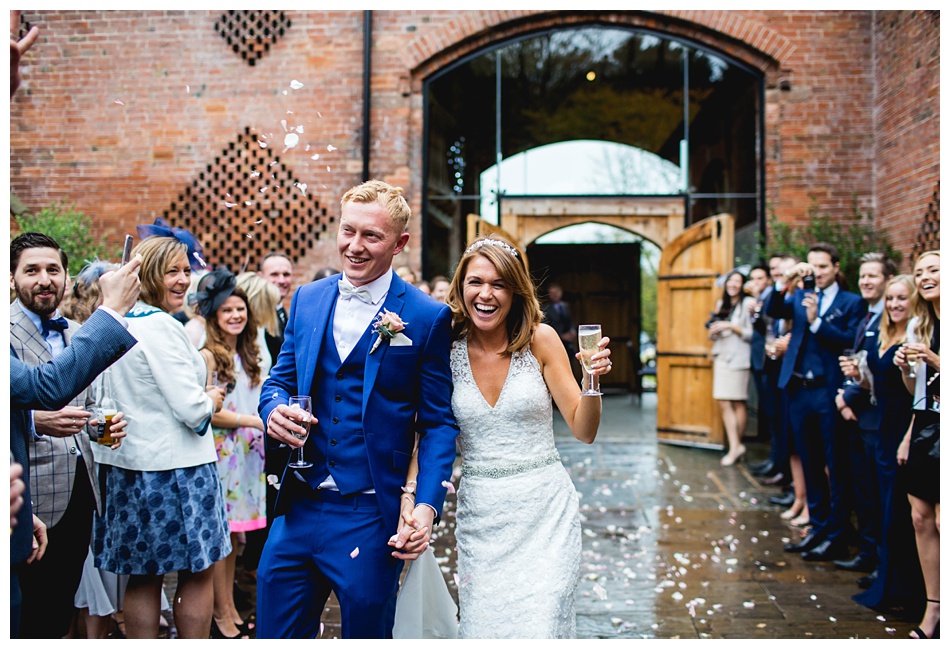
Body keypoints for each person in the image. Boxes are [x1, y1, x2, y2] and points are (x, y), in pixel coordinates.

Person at [255, 179, 459, 639]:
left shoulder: (426, 317)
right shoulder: (308, 299)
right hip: (299, 504)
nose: (355, 246)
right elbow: (279, 381)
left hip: (370, 512)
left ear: (400, 243)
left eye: (372, 236)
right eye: (349, 231)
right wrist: (273, 411)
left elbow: (438, 424)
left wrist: (426, 506)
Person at [440, 234, 611, 638]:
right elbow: (425, 431)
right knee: (484, 630)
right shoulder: (444, 347)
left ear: (515, 292)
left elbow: (584, 430)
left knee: (542, 625)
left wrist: (592, 380)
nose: (486, 294)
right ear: (461, 286)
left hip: (545, 512)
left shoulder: (541, 340)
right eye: (476, 282)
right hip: (482, 517)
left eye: (499, 284)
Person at [92, 233, 230, 639]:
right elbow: (190, 410)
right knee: (199, 571)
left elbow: (99, 403)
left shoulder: (108, 323)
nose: (184, 280)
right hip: (178, 471)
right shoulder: (163, 328)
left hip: (127, 468)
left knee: (143, 576)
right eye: (172, 271)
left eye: (186, 270)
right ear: (148, 274)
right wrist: (213, 400)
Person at [9, 256, 142, 638]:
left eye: (53, 270)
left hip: (79, 492)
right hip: (29, 491)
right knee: (24, 613)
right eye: (31, 270)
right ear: (12, 278)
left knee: (58, 607)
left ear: (66, 278)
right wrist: (35, 420)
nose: (44, 279)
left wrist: (103, 428)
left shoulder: (77, 331)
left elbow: (86, 406)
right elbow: (43, 390)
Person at [767, 242, 864, 561]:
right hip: (798, 389)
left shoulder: (852, 302)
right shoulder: (799, 294)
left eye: (822, 267)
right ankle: (817, 528)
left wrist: (817, 321)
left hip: (828, 390)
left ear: (836, 267)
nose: (816, 273)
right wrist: (786, 281)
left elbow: (851, 340)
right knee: (808, 461)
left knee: (834, 465)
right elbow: (772, 310)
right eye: (812, 267)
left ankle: (837, 535)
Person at [196, 267, 267, 639]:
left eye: (240, 310)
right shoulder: (209, 357)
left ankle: (231, 608)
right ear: (214, 317)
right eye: (227, 311)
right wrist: (251, 421)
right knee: (223, 541)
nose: (236, 316)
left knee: (237, 541)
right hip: (223, 454)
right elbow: (209, 410)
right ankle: (221, 614)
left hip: (249, 455)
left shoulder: (247, 352)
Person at [852, 275, 924, 614]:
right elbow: (873, 383)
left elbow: (919, 392)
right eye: (891, 298)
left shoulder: (916, 336)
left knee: (899, 507)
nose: (894, 304)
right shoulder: (881, 331)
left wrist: (909, 435)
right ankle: (885, 570)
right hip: (879, 424)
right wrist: (857, 377)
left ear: (913, 301)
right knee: (881, 500)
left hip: (903, 423)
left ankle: (902, 582)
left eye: (901, 298)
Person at [833, 253, 895, 575]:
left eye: (873, 276)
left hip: (875, 417)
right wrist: (845, 394)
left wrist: (847, 396)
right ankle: (868, 553)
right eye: (863, 276)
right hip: (858, 414)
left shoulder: (890, 319)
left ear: (887, 280)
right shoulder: (866, 316)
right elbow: (856, 363)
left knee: (878, 493)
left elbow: (880, 370)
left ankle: (881, 561)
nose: (866, 281)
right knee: (864, 492)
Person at [894, 250, 940, 640]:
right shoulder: (919, 326)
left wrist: (935, 359)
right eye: (920, 272)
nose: (924, 277)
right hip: (926, 424)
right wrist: (908, 369)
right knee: (921, 519)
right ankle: (933, 608)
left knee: (944, 520)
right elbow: (917, 392)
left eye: (934, 270)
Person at [707, 270, 755, 466]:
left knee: (737, 402)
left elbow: (752, 334)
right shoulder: (722, 304)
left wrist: (729, 326)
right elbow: (716, 333)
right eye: (730, 281)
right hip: (722, 357)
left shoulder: (747, 304)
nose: (733, 285)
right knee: (723, 402)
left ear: (742, 285)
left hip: (739, 358)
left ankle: (736, 446)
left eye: (737, 281)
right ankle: (735, 446)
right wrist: (714, 331)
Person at [258, 251, 294, 366]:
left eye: (286, 274)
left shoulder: (282, 312)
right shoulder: (256, 314)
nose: (282, 280)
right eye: (274, 274)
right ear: (260, 277)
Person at [541, 282, 577, 356]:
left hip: (569, 342)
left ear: (561, 292)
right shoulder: (545, 309)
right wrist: (561, 336)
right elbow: (546, 325)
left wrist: (572, 330)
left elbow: (570, 321)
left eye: (556, 292)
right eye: (552, 293)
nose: (555, 295)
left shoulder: (565, 306)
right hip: (555, 341)